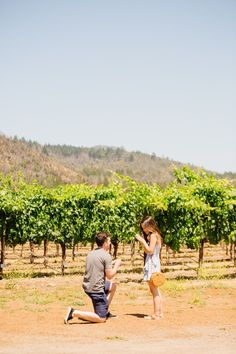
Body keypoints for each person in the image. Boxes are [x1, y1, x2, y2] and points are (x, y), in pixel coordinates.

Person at [64, 231, 121, 324]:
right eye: (109, 241)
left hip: (88, 285)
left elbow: (99, 265)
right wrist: (117, 265)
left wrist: (111, 263)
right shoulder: (106, 255)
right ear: (105, 243)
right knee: (101, 319)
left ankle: (105, 311)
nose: (110, 243)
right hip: (96, 289)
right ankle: (74, 312)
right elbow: (110, 275)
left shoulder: (91, 253)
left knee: (113, 286)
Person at [135, 216, 163, 320]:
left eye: (145, 228)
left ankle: (156, 314)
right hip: (155, 263)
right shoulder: (156, 235)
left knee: (153, 290)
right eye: (143, 228)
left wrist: (142, 241)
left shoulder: (153, 236)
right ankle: (159, 313)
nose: (144, 230)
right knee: (156, 289)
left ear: (150, 226)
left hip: (152, 264)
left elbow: (150, 251)